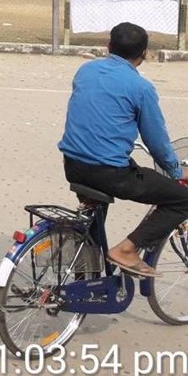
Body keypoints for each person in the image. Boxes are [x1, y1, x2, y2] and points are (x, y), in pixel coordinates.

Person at [58, 21, 188, 277]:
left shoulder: (86, 71)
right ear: (143, 55)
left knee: (93, 215)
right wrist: (175, 171)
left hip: (72, 165)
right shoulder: (141, 88)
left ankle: (85, 278)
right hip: (109, 173)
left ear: (108, 46)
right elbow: (157, 142)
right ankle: (126, 250)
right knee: (183, 200)